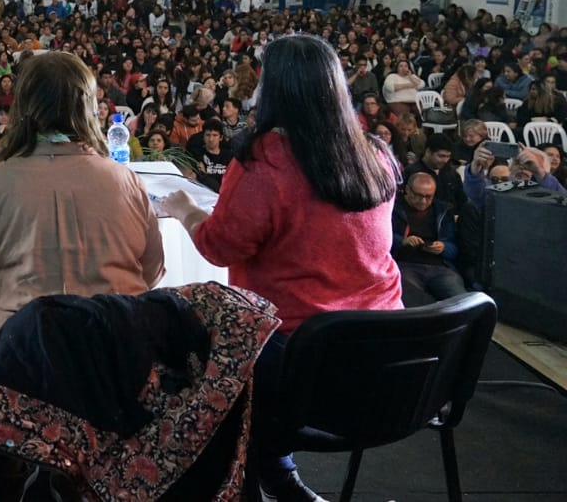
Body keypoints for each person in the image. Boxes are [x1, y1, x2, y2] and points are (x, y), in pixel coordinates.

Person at [160, 35, 401, 502]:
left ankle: (233, 477)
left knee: (186, 345)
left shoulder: (266, 161)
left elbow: (219, 246)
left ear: (273, 90)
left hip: (303, 366)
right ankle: (281, 476)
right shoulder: (373, 152)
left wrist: (186, 207)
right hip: (390, 361)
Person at [0, 51, 165, 384]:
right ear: (87, 107)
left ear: (23, 107)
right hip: (114, 362)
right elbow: (151, 273)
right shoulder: (126, 180)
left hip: (17, 365)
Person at [391, 172, 466, 306]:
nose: (423, 201)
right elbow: (381, 241)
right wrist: (402, 241)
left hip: (439, 266)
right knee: (412, 298)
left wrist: (443, 247)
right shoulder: (393, 207)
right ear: (407, 190)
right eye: (418, 196)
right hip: (406, 264)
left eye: (428, 197)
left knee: (460, 300)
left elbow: (454, 248)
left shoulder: (442, 210)